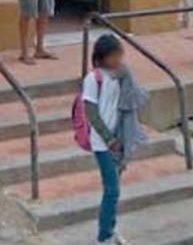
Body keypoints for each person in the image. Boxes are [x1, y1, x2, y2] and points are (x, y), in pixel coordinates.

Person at [82, 35, 149, 245]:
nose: (119, 59)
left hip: (120, 138)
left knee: (114, 188)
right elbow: (91, 112)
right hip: (103, 143)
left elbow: (132, 99)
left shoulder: (122, 75)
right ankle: (103, 237)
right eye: (115, 55)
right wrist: (109, 139)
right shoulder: (93, 79)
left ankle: (110, 229)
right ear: (103, 57)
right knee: (112, 190)